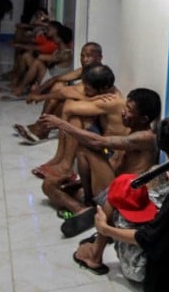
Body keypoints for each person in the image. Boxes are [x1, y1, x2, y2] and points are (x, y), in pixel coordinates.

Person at [74, 114, 169, 292]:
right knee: (153, 174)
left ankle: (94, 254)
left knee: (117, 194)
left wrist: (106, 229)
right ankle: (102, 238)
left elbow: (147, 239)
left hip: (157, 275)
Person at [41, 86, 161, 238]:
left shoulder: (146, 138)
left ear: (144, 118)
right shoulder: (132, 130)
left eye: (129, 110)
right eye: (125, 107)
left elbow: (98, 142)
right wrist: (83, 182)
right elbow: (113, 164)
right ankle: (82, 210)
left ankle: (89, 205)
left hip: (120, 197)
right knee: (49, 185)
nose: (123, 112)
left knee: (86, 148)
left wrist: (62, 124)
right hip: (108, 189)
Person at [14, 41, 104, 143]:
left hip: (94, 114)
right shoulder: (84, 70)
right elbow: (56, 79)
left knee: (62, 100)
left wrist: (41, 97)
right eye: (82, 56)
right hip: (84, 104)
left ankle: (41, 128)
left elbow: (69, 92)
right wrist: (37, 93)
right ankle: (40, 126)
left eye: (89, 56)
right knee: (59, 85)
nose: (84, 59)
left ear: (99, 57)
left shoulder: (98, 73)